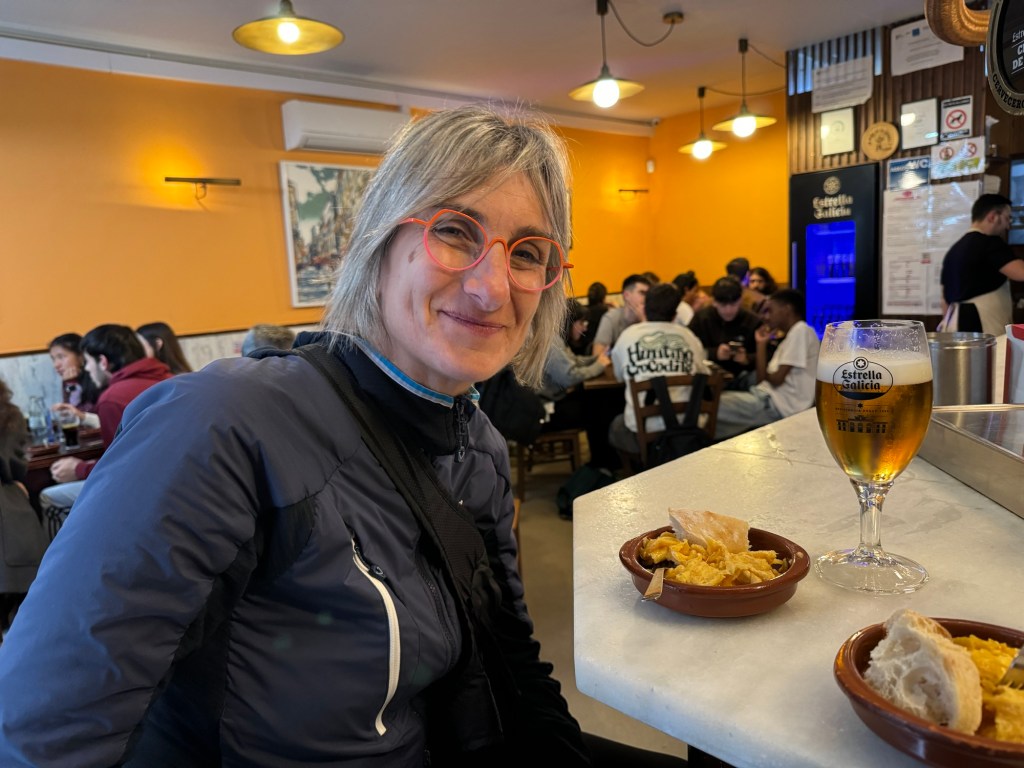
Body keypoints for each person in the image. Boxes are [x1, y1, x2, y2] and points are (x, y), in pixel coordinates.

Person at [0, 106, 685, 768]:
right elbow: (42, 732)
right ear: (377, 244)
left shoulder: (476, 442)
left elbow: (508, 658)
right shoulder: (222, 422)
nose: (492, 288)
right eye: (455, 232)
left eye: (529, 253)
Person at [40, 325, 173, 534]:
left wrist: (79, 469)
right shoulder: (171, 378)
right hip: (179, 481)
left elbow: (119, 469)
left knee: (48, 496)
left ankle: (69, 554)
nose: (87, 369)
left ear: (102, 361)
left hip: (143, 492)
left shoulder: (112, 398)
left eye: (88, 362)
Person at [607, 283, 708, 460]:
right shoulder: (689, 337)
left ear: (644, 308)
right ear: (675, 314)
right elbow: (703, 374)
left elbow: (619, 376)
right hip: (688, 426)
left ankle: (640, 467)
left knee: (617, 426)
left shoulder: (627, 336)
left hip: (645, 428)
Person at [714, 289, 819, 440]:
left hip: (776, 405)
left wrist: (766, 368)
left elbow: (776, 380)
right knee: (712, 408)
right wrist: (761, 344)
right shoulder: (791, 336)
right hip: (767, 399)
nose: (765, 317)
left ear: (787, 309)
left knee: (711, 406)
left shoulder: (801, 330)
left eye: (770, 310)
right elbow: (762, 380)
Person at [538, 299, 617, 472]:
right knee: (596, 408)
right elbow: (569, 376)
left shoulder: (554, 337)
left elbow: (573, 361)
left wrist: (596, 359)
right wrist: (599, 365)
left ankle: (604, 460)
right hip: (545, 412)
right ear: (569, 322)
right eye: (581, 323)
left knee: (597, 400)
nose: (584, 328)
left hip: (551, 403)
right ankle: (602, 462)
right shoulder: (551, 342)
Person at [940, 193, 1024, 336]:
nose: (1008, 226)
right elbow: (1021, 273)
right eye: (1007, 218)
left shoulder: (954, 250)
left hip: (953, 326)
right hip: (982, 326)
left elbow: (943, 299)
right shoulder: (990, 243)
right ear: (992, 217)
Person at [688, 277, 761, 389]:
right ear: (714, 302)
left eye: (733, 304)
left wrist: (747, 359)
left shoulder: (753, 321)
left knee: (758, 377)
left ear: (740, 300)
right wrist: (714, 353)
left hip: (743, 376)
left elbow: (768, 356)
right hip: (709, 377)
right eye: (723, 305)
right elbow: (687, 350)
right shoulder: (701, 319)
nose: (728, 310)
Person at [591, 273, 651, 356]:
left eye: (648, 294)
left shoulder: (649, 318)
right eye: (642, 293)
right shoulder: (611, 318)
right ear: (626, 295)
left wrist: (644, 321)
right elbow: (597, 355)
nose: (646, 298)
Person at [47, 333, 100, 414]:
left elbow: (86, 414)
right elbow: (69, 413)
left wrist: (72, 385)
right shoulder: (69, 380)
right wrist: (71, 384)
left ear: (81, 356)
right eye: (53, 359)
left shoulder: (97, 377)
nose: (56, 365)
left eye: (61, 357)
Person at [574, 281, 612, 355]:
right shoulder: (605, 311)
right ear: (603, 297)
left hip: (581, 349)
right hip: (598, 349)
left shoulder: (584, 310)